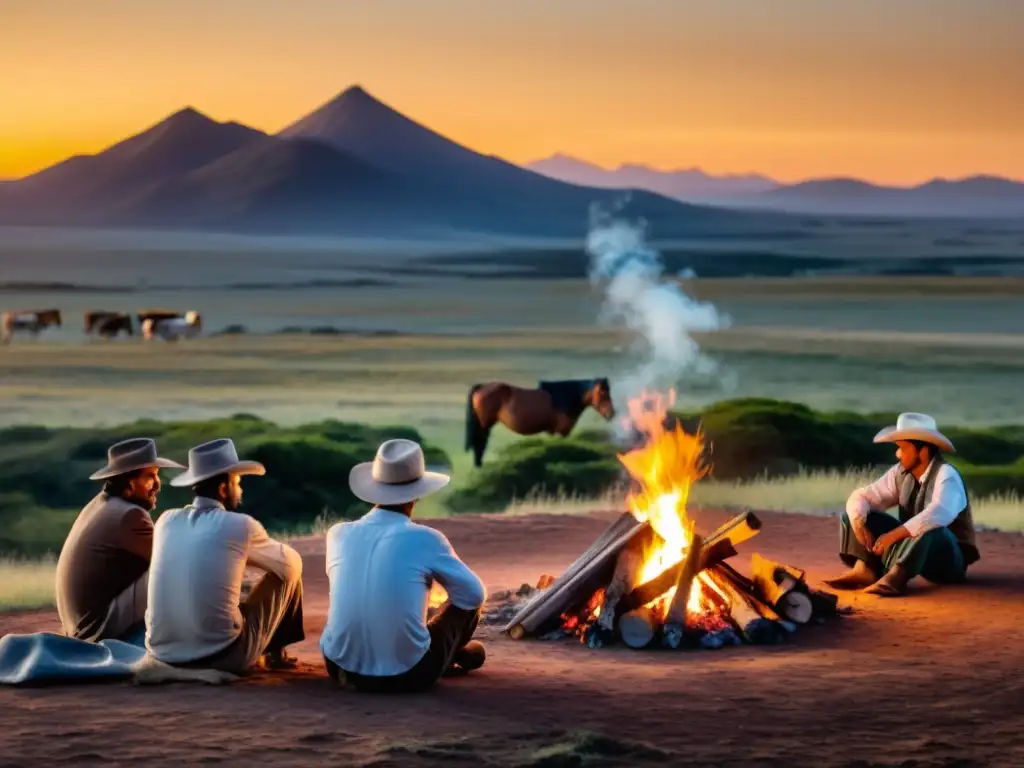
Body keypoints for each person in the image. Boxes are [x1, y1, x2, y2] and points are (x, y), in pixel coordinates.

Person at [321, 438, 487, 692]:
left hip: (339, 667)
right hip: (408, 674)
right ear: (418, 494)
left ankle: (449, 653)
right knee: (467, 603)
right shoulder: (427, 538)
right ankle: (451, 653)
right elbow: (474, 594)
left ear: (374, 487)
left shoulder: (337, 534)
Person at [144, 438, 305, 674]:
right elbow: (291, 565)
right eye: (237, 482)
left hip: (163, 655)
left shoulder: (165, 520)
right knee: (287, 573)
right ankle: (275, 655)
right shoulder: (239, 525)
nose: (240, 490)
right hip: (222, 657)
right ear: (222, 488)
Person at [825, 412, 980, 597]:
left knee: (931, 528)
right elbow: (865, 496)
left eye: (903, 448)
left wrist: (893, 536)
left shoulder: (946, 475)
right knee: (855, 515)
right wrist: (858, 522)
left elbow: (939, 513)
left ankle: (896, 579)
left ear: (922, 451)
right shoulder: (899, 474)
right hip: (914, 550)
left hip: (948, 562)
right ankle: (864, 570)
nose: (898, 454)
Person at [55, 438, 184, 642]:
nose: (158, 485)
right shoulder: (129, 515)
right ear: (129, 483)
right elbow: (177, 561)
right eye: (150, 476)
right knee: (173, 566)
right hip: (97, 629)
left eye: (157, 475)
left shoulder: (100, 504)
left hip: (80, 627)